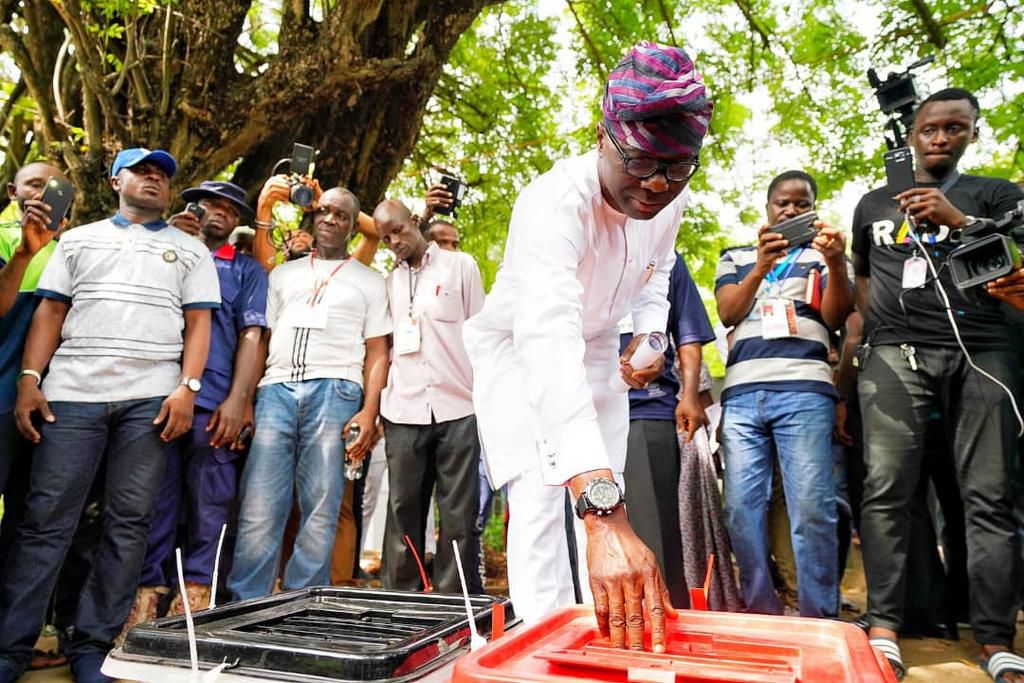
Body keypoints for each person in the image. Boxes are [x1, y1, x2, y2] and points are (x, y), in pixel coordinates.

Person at [462, 41, 712, 651]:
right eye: (642, 162)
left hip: (599, 349)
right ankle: (543, 644)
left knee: (604, 494)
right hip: (524, 356)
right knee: (549, 502)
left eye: (677, 169)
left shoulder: (667, 197)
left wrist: (652, 340)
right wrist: (604, 512)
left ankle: (595, 641)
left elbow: (656, 276)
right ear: (603, 135)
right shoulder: (551, 205)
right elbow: (547, 343)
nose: (657, 184)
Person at [0, 148, 219, 683]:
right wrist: (31, 380)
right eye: (143, 169)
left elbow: (198, 326)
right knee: (46, 523)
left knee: (128, 525)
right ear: (115, 179)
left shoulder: (190, 251)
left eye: (163, 174)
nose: (154, 178)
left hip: (150, 400)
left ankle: (93, 647)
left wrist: (187, 388)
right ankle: (10, 649)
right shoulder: (75, 240)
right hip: (71, 394)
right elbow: (50, 311)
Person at [850, 88, 1024, 682]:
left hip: (983, 349)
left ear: (973, 133)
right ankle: (884, 628)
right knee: (887, 489)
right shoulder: (873, 202)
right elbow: (864, 283)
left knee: (990, 494)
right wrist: (859, 353)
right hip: (895, 352)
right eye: (930, 128)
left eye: (956, 127)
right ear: (913, 135)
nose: (941, 137)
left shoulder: (998, 194)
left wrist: (963, 222)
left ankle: (996, 637)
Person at [227, 187, 390, 600]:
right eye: (323, 211)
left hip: (336, 389)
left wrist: (370, 411)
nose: (330, 219)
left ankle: (303, 602)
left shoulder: (370, 282)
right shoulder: (283, 274)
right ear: (312, 217)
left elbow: (377, 352)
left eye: (341, 215)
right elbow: (261, 338)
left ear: (354, 226)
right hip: (275, 390)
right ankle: (246, 604)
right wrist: (246, 399)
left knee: (322, 504)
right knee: (260, 504)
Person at [714, 169, 853, 619]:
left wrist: (835, 262)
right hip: (741, 395)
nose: (791, 210)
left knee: (811, 507)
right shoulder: (735, 256)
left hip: (805, 391)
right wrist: (760, 266)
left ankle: (819, 618)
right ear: (768, 209)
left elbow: (835, 317)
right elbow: (729, 312)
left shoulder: (822, 257)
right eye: (782, 203)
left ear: (813, 209)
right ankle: (761, 610)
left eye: (801, 203)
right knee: (740, 508)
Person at [129, 181, 268, 624]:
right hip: (155, 397)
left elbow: (252, 336)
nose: (221, 212)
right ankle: (146, 598)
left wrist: (238, 400)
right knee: (154, 502)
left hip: (214, 403)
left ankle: (195, 598)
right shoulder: (164, 251)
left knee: (211, 504)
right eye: (211, 203)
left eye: (232, 208)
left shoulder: (247, 271)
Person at [374, 199, 484, 593]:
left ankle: (455, 604)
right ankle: (401, 599)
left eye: (399, 231)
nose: (394, 242)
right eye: (386, 238)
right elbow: (384, 348)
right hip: (402, 408)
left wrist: (485, 401)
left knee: (457, 512)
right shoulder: (388, 282)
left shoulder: (461, 267)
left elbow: (480, 337)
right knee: (402, 510)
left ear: (415, 222)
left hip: (459, 406)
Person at [620, 251, 714, 607]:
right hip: (586, 411)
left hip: (648, 412)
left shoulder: (666, 259)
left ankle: (667, 622)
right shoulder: (585, 242)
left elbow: (688, 335)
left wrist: (689, 395)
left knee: (655, 532)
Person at [0, 161, 67, 527]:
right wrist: (24, 253)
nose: (42, 194)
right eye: (34, 185)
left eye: (54, 189)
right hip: (3, 394)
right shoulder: (4, 238)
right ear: (13, 192)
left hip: (51, 405)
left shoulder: (74, 249)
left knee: (28, 514)